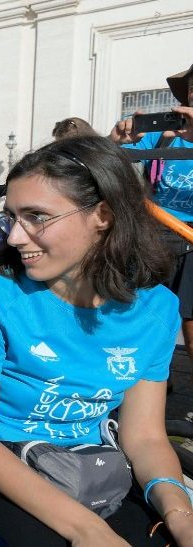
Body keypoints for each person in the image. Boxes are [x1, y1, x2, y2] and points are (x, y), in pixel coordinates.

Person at [0, 135, 191, 545]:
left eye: (36, 216)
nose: (15, 237)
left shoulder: (156, 311)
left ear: (103, 216)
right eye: (12, 218)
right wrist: (88, 530)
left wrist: (179, 513)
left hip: (92, 463)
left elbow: (144, 436)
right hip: (1, 458)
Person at [111, 66, 193, 378]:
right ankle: (153, 381)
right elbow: (104, 162)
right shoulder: (163, 134)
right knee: (144, 313)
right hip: (157, 233)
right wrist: (116, 140)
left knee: (191, 322)